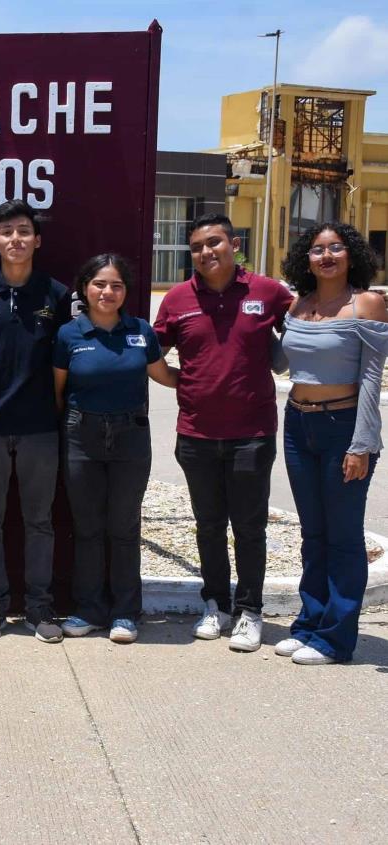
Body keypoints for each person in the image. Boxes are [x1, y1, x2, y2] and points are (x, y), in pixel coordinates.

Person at [153, 212, 293, 652]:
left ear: (234, 244)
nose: (205, 252)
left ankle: (250, 610)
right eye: (196, 247)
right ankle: (215, 604)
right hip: (195, 434)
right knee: (208, 526)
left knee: (249, 527)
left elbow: (306, 328)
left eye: (214, 242)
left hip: (252, 433)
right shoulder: (177, 299)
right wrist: (182, 383)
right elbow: (153, 354)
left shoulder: (267, 293)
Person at [275, 223, 388, 665]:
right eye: (318, 249)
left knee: (342, 537)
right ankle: (309, 624)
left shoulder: (368, 304)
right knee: (313, 533)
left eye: (336, 248)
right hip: (298, 425)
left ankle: (335, 639)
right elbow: (283, 362)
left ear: (350, 254)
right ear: (306, 258)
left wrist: (362, 442)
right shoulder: (298, 306)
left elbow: (371, 378)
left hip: (345, 428)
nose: (327, 256)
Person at [0, 200, 72, 644]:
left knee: (39, 522)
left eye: (24, 231)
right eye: (7, 232)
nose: (16, 240)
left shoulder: (57, 295)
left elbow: (64, 362)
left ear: (37, 240)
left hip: (40, 427)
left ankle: (39, 608)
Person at [53, 254, 177, 644]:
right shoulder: (68, 335)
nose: (108, 292)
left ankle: (125, 613)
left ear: (126, 291)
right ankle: (89, 609)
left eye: (117, 285)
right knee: (87, 528)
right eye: (100, 284)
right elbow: (57, 392)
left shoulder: (141, 331)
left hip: (130, 437)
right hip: (81, 437)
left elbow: (166, 377)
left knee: (124, 527)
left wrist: (214, 377)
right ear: (85, 289)